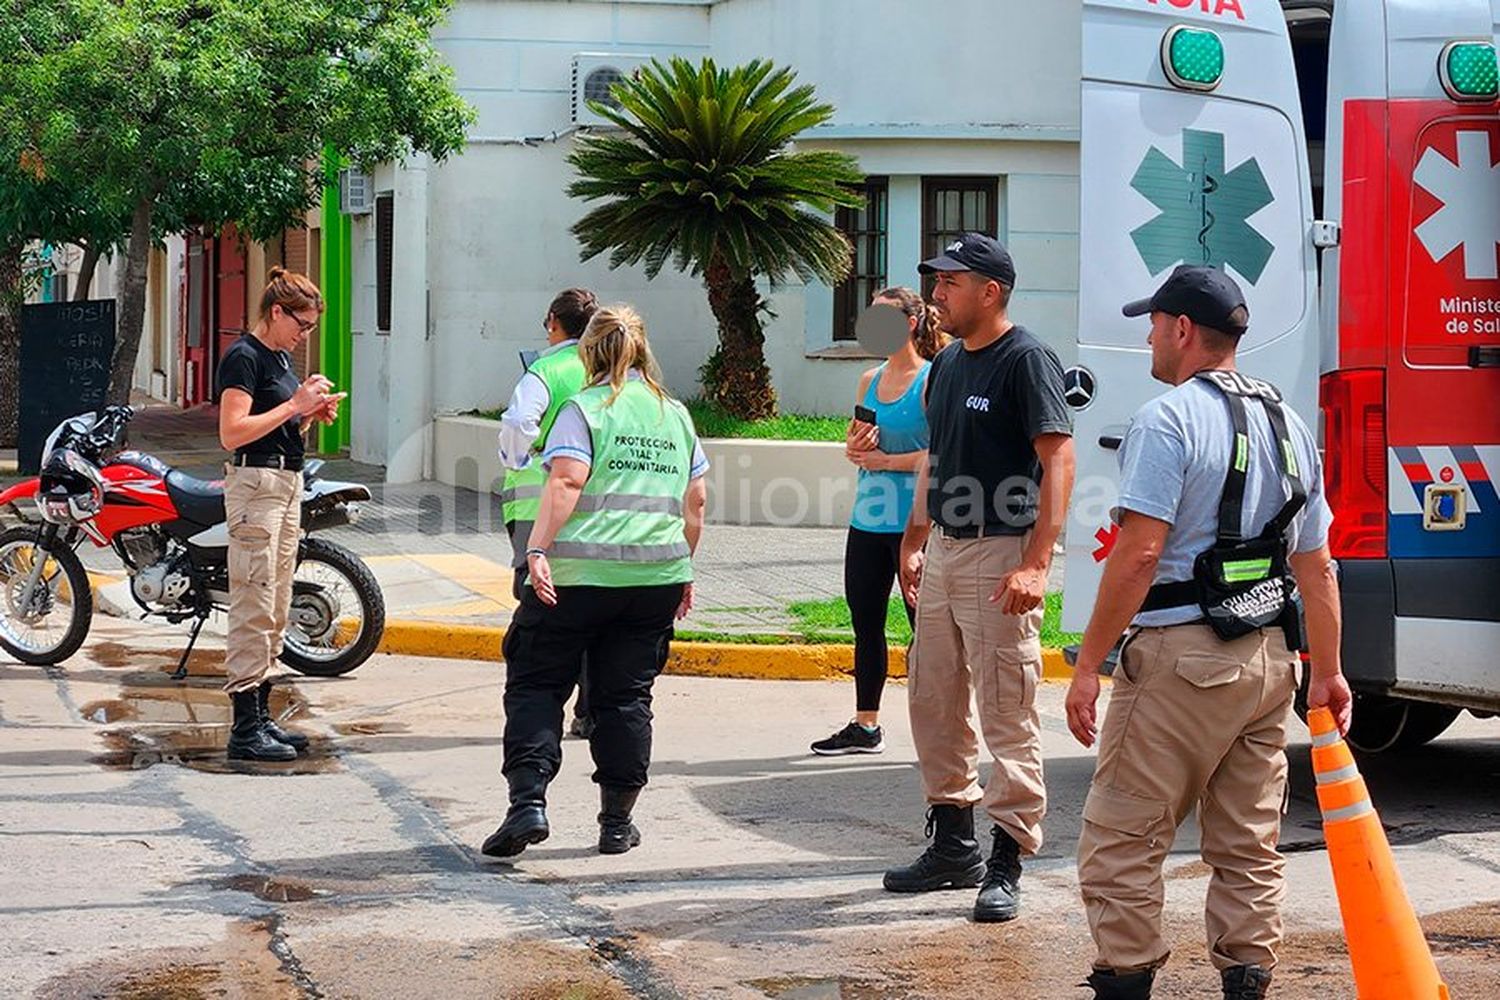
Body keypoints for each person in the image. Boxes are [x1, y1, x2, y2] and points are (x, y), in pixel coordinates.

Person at [1064, 266, 1353, 1000]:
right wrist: (1327, 672)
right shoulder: (1290, 424)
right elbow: (1318, 569)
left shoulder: (1168, 419)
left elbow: (1140, 554)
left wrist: (1090, 662)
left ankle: (1125, 981)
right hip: (1269, 663)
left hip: (1181, 660)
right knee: (1248, 845)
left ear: (1184, 329)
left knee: (1123, 840)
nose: (1150, 337)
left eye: (1155, 323)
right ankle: (1246, 983)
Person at [884, 232, 1076, 924]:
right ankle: (954, 844)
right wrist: (915, 539)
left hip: (1002, 552)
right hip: (946, 549)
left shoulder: (1026, 360)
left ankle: (1008, 858)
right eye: (936, 282)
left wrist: (1037, 562)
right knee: (934, 701)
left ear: (990, 291)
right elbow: (935, 456)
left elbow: (1059, 461)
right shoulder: (948, 367)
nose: (937, 295)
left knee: (1006, 706)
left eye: (950, 284)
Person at [481, 305, 708, 859]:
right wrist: (683, 566)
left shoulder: (583, 410)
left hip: (577, 577)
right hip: (655, 577)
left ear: (588, 353)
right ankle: (615, 823)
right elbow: (696, 500)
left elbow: (566, 480)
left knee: (536, 682)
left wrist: (536, 549)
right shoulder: (674, 414)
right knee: (626, 697)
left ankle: (528, 804)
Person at [810, 287, 947, 755]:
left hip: (916, 524)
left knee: (925, 630)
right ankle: (865, 725)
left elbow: (941, 455)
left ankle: (941, 728)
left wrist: (888, 462)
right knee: (865, 624)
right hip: (867, 520)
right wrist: (856, 449)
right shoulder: (868, 380)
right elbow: (857, 445)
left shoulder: (932, 379)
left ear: (911, 322)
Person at [217, 267, 341, 762]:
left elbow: (276, 425)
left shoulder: (280, 357)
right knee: (253, 601)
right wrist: (293, 403)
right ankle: (244, 728)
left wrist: (308, 414)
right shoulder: (243, 358)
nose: (304, 334)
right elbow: (232, 432)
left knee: (276, 603)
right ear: (276, 311)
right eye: (302, 324)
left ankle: (262, 716)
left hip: (285, 485)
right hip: (255, 488)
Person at [499, 288, 595, 738]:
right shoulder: (604, 370)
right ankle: (590, 709)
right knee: (589, 602)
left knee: (540, 602)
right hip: (593, 505)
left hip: (538, 504)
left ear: (554, 322)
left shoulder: (545, 369)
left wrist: (522, 457)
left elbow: (519, 423)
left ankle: (540, 706)